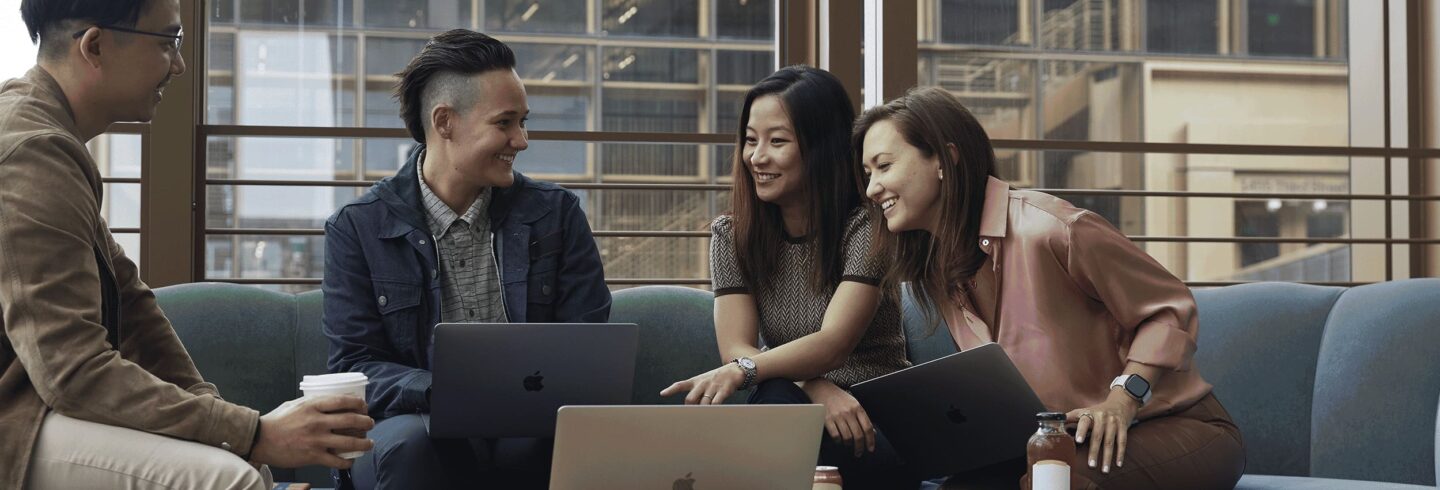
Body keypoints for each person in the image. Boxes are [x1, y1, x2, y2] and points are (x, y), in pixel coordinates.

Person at [0, 0, 375, 488]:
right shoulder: (32, 151)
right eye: (167, 42)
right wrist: (253, 433)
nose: (178, 65)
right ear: (94, 45)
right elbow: (72, 372)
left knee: (242, 465)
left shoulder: (53, 137)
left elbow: (134, 307)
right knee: (226, 479)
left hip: (38, 404)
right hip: (18, 420)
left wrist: (232, 426)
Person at [854, 86, 1245, 489]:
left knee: (1056, 478)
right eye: (867, 174)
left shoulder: (1053, 229)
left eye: (884, 166)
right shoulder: (939, 271)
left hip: (1177, 426)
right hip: (1057, 442)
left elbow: (1169, 310)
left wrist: (1121, 400)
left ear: (945, 158)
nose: (871, 189)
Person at [322, 29, 611, 489]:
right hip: (416, 420)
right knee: (413, 447)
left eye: (523, 122)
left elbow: (589, 345)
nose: (521, 140)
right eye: (505, 123)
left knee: (561, 440)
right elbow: (354, 365)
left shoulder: (556, 215)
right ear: (445, 122)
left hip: (530, 421)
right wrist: (446, 392)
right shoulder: (357, 228)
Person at [660, 66, 913, 488]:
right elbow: (736, 349)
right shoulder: (731, 235)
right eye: (750, 140)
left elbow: (833, 344)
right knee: (778, 404)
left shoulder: (868, 226)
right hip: (793, 402)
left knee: (775, 412)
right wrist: (814, 386)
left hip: (873, 417)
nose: (757, 157)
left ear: (821, 147)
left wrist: (748, 371)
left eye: (777, 141)